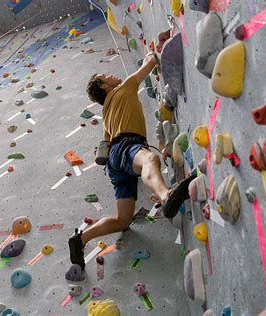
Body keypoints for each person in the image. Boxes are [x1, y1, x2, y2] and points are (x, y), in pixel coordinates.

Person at [68, 52, 195, 270]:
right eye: (107, 75)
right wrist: (151, 55)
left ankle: (80, 240)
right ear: (104, 85)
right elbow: (151, 62)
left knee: (123, 220)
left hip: (115, 165)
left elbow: (105, 148)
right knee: (150, 159)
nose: (112, 75)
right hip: (127, 146)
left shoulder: (107, 115)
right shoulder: (125, 87)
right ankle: (167, 196)